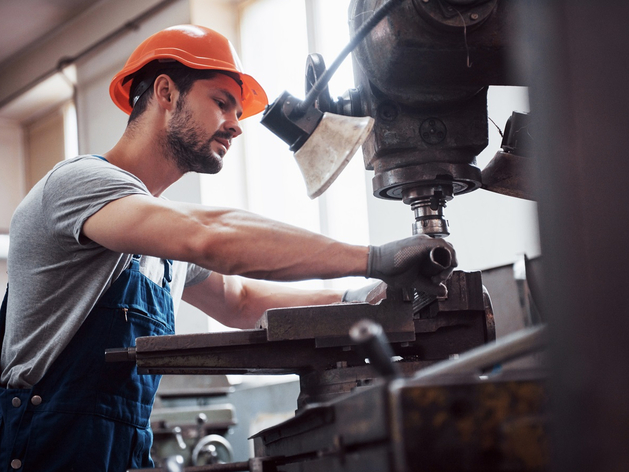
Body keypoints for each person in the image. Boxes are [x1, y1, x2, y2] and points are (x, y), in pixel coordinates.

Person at [0, 25, 456, 471]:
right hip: (47, 446)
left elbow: (240, 301)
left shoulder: (156, 230)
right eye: (222, 104)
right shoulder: (79, 184)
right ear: (165, 93)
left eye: (238, 112)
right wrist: (375, 258)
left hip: (119, 450)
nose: (237, 126)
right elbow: (211, 236)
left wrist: (362, 299)